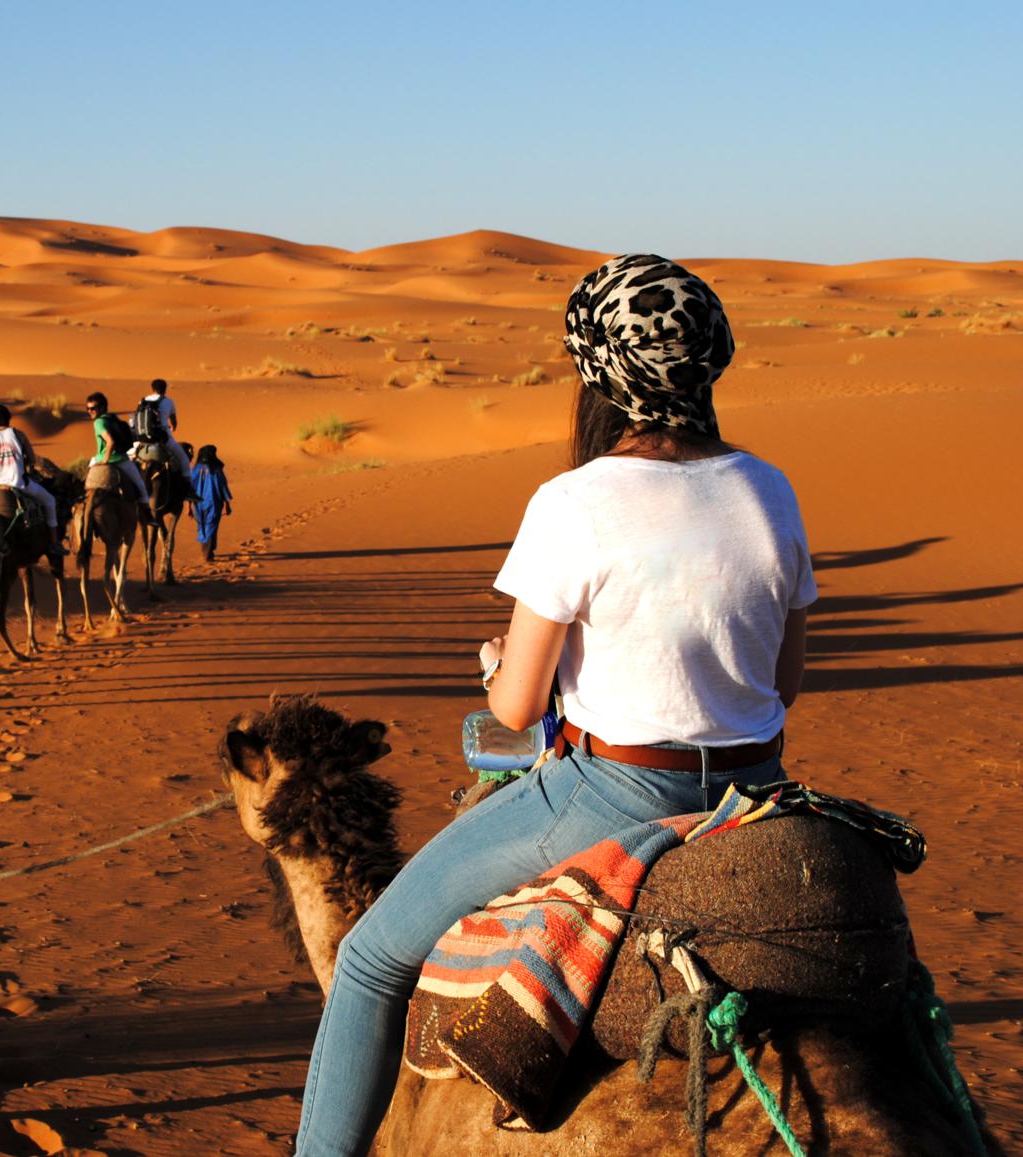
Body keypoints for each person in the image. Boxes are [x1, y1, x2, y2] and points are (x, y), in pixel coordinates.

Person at [293, 254, 817, 1155]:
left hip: (616, 793)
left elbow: (521, 702)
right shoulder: (769, 487)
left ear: (599, 375)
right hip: (756, 788)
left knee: (372, 961)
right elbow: (782, 682)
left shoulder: (576, 501)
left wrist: (500, 665)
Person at [0, 403, 63, 555]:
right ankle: (55, 543)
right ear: (9, 419)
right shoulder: (18, 434)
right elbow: (33, 459)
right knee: (49, 501)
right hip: (18, 483)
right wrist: (23, 464)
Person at [83, 391, 151, 511]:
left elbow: (111, 441)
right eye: (87, 408)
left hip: (105, 459)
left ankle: (81, 506)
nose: (89, 411)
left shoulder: (98, 422)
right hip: (122, 459)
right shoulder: (112, 417)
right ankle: (146, 512)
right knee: (140, 484)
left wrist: (105, 460)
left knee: (84, 485)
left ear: (102, 407)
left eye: (93, 408)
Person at [133, 378, 191, 478]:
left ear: (152, 388)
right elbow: (174, 424)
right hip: (163, 438)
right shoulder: (169, 402)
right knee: (184, 460)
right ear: (165, 389)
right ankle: (189, 486)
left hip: (142, 438)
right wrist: (171, 429)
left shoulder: (142, 401)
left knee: (130, 458)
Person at [188, 443, 233, 562]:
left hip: (198, 504)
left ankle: (207, 551)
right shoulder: (216, 470)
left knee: (202, 526)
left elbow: (190, 488)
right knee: (211, 526)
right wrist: (228, 505)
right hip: (214, 503)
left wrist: (189, 507)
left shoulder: (196, 469)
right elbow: (223, 487)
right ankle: (207, 553)